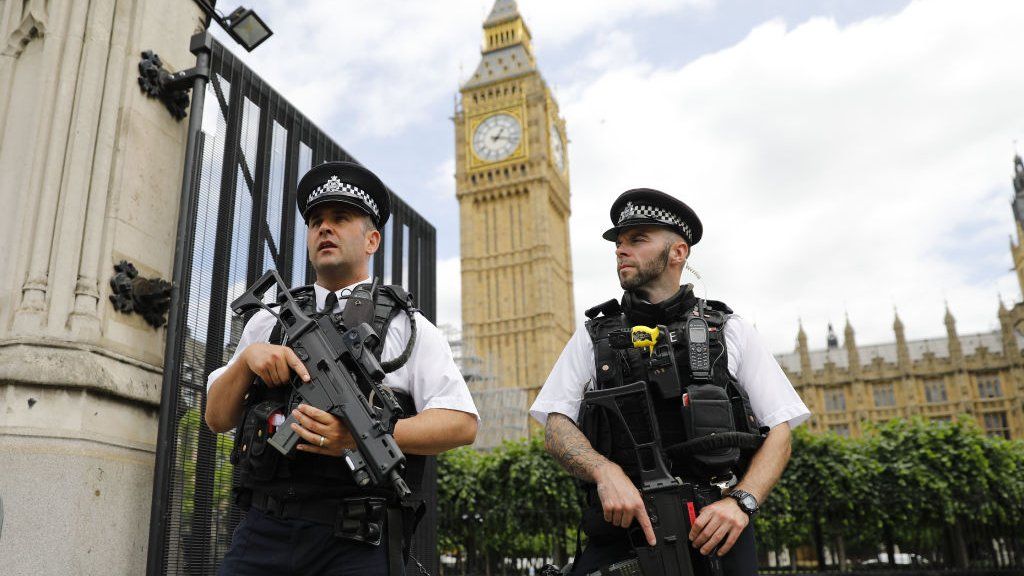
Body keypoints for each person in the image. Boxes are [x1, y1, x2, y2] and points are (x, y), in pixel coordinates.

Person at [206, 161, 479, 576]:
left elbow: (461, 423)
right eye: (316, 221)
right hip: (264, 531)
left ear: (372, 240)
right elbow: (216, 418)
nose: (324, 229)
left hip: (355, 542)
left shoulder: (406, 326)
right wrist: (246, 362)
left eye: (340, 219)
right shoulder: (268, 320)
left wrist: (361, 436)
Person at [530, 188, 810, 575]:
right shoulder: (592, 336)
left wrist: (742, 501)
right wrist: (604, 471)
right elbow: (556, 424)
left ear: (678, 252)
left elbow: (779, 431)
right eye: (619, 242)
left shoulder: (730, 331)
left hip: (717, 532)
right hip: (622, 531)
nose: (620, 250)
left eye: (637, 240)